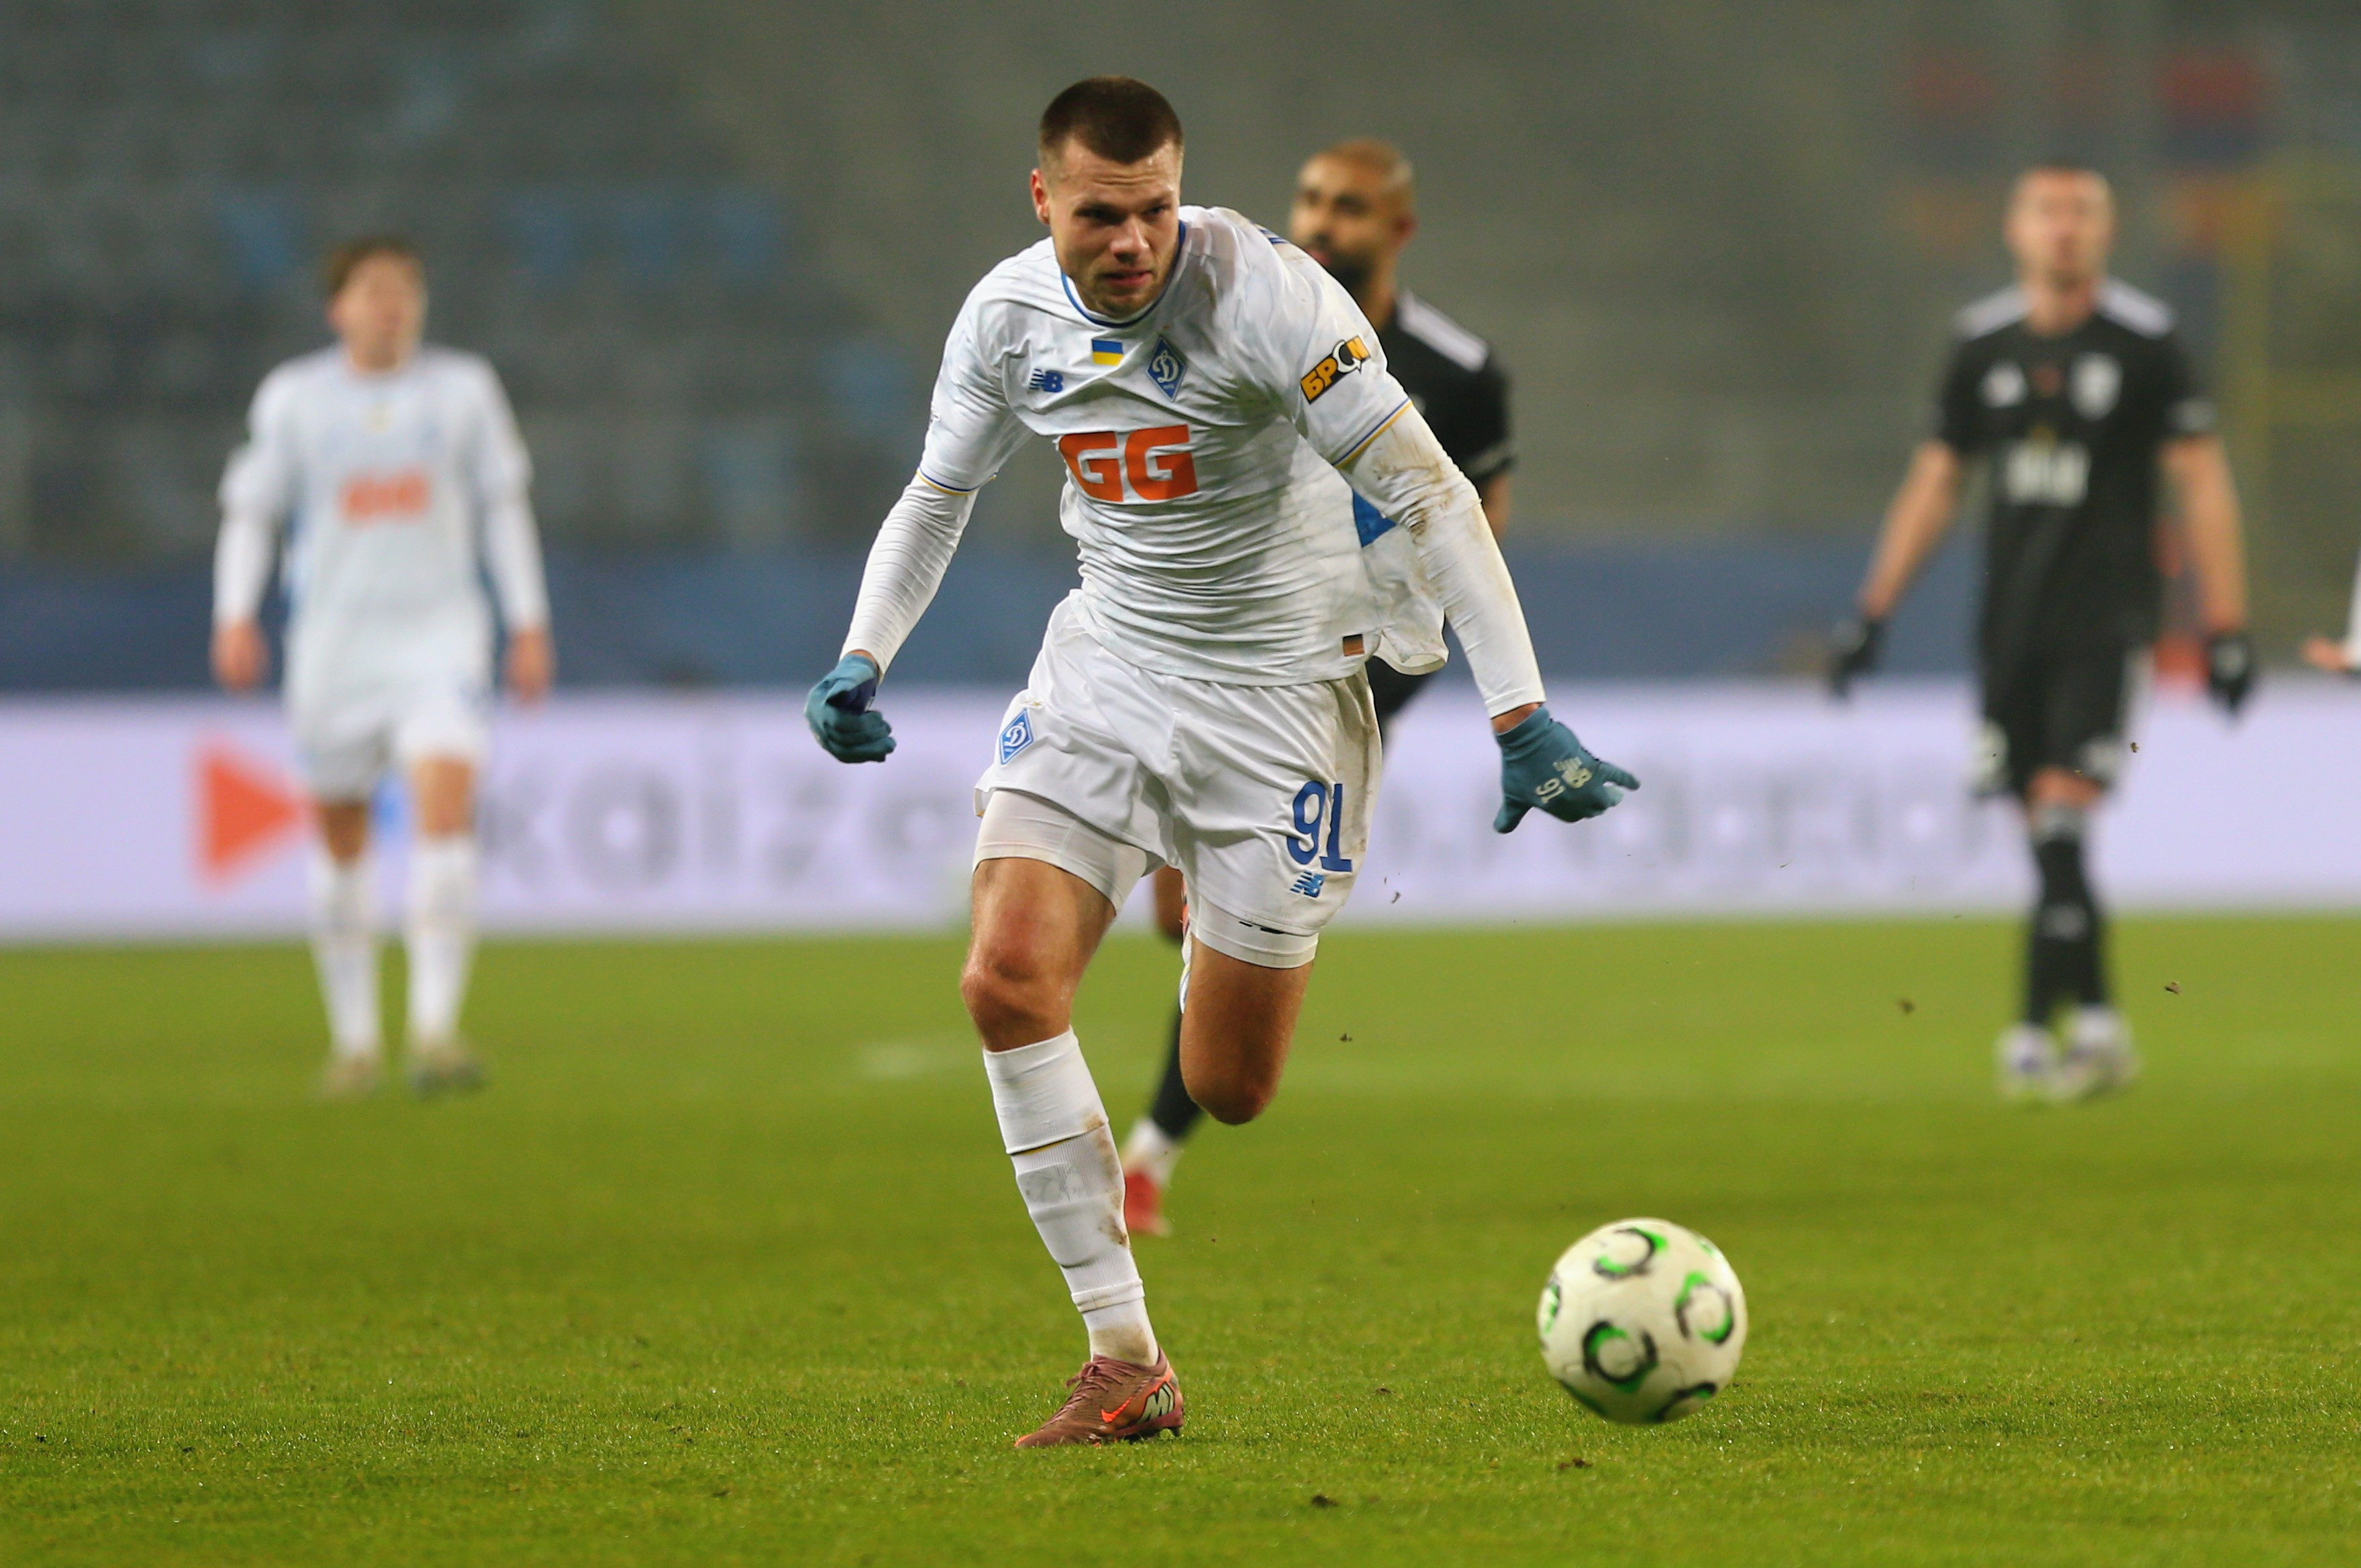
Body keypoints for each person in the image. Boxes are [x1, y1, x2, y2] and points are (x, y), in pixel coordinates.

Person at [804, 78, 1634, 1448]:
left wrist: (1519, 714)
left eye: (1153, 210)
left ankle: (1220, 912)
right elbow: (938, 494)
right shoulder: (1005, 318)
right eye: (1099, 215)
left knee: (1229, 1087)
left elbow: (1431, 491)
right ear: (1042, 200)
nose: (1131, 241)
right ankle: (1122, 1355)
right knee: (1004, 979)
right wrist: (862, 652)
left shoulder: (1270, 298)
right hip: (1109, 669)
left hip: (1281, 699)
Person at [1117, 137, 1516, 1238]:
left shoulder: (1459, 371)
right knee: (1177, 916)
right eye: (1308, 200)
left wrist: (1453, 639)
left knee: (1227, 902)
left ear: (1398, 228)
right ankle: (1154, 1131)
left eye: (1347, 206)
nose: (1321, 222)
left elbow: (1479, 517)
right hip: (1225, 645)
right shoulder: (1244, 329)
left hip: (1356, 667)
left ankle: (1145, 1159)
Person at [1829, 164, 2252, 1102]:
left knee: (2061, 814)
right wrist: (1871, 611)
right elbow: (1936, 481)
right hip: (2009, 627)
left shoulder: (2146, 344)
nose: (2063, 227)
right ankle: (2094, 1026)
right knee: (2046, 837)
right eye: (2046, 211)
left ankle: (2034, 1032)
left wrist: (2224, 625)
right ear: (2014, 230)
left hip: (2106, 622)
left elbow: (2199, 479)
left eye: (2081, 212)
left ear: (2106, 231)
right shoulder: (1980, 345)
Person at [212, 236, 552, 1100]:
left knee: (446, 804)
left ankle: (434, 1031)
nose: (392, 304)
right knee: (340, 834)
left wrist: (528, 621)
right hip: (333, 648)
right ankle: (356, 1041)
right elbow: (252, 512)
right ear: (339, 308)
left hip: (441, 638)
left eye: (405, 289)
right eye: (372, 289)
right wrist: (234, 612)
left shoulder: (464, 390)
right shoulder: (294, 398)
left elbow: (503, 507)